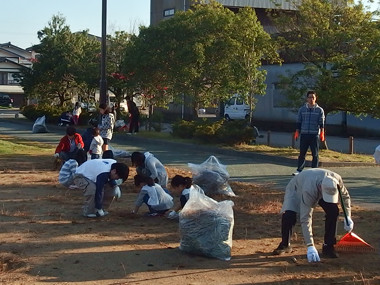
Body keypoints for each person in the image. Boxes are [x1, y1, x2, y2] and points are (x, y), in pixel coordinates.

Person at [272, 168, 354, 262]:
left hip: (318, 187)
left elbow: (345, 197)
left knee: (333, 211)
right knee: (289, 215)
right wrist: (310, 246)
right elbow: (305, 218)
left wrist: (348, 216)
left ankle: (329, 246)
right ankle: (285, 244)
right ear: (320, 187)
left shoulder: (336, 179)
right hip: (297, 187)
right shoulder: (308, 190)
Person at [293, 91, 325, 176]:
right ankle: (299, 170)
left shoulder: (319, 110)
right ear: (307, 98)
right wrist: (297, 131)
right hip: (304, 134)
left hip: (314, 134)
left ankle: (314, 171)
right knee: (302, 153)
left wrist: (322, 133)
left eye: (313, 97)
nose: (311, 99)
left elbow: (321, 122)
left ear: (315, 98)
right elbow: (299, 121)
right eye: (310, 97)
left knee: (315, 153)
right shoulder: (302, 109)